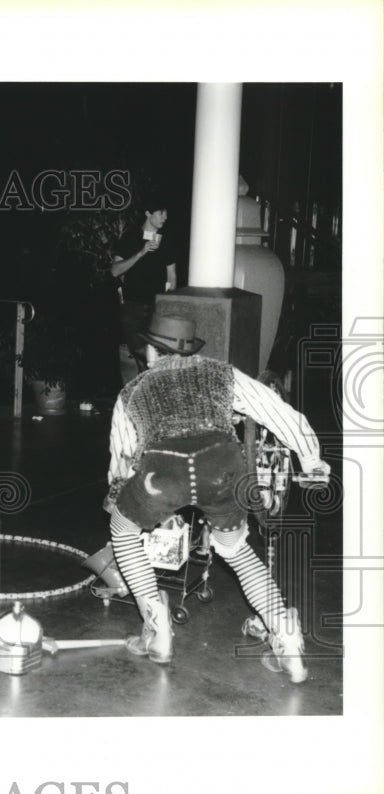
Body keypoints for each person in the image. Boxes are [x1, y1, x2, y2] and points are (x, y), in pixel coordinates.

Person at [104, 312, 331, 683]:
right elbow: (279, 413)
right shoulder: (221, 373)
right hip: (222, 468)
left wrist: (130, 497)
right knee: (238, 552)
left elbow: (122, 461)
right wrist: (312, 462)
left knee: (123, 529)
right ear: (189, 349)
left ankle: (157, 631)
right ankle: (286, 638)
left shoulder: (132, 392)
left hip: (163, 473)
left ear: (150, 350)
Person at [111, 191, 177, 374]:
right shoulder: (130, 238)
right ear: (148, 213)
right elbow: (115, 270)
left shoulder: (167, 241)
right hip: (133, 307)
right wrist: (141, 252)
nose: (165, 217)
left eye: (166, 213)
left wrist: (168, 302)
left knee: (157, 359)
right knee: (141, 357)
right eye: (161, 212)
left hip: (158, 306)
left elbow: (172, 276)